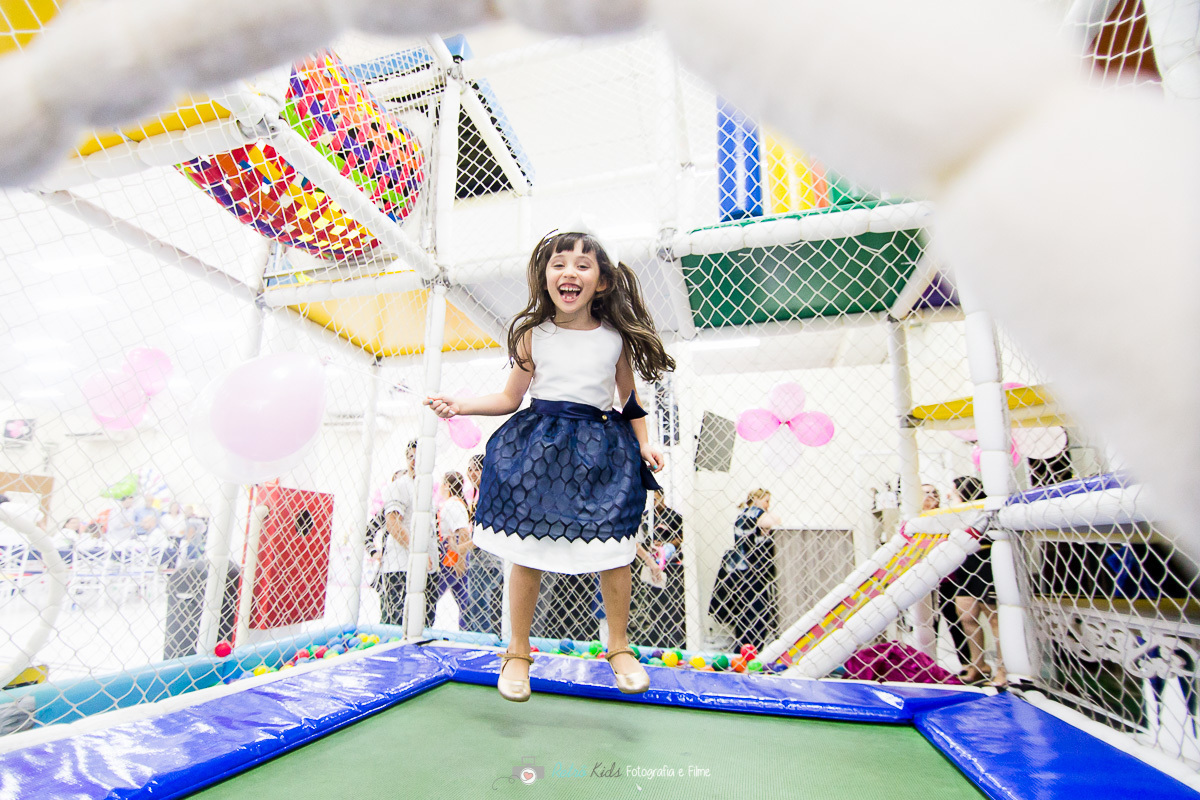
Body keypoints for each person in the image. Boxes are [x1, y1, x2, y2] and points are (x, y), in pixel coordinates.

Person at [426, 229, 673, 702]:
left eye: (584, 265)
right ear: (545, 275)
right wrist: (459, 404)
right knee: (527, 548)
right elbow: (509, 398)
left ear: (601, 282)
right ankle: (517, 651)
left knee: (617, 548)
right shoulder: (533, 335)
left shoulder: (615, 340)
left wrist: (644, 444)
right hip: (542, 445)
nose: (570, 272)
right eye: (560, 263)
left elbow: (631, 400)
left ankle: (618, 646)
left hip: (601, 448)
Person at [942, 475, 1006, 686]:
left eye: (954, 490)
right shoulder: (956, 513)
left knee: (994, 619)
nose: (949, 494)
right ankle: (978, 665)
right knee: (966, 614)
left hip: (984, 562)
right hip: (965, 564)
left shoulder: (982, 510)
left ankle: (1003, 670)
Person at [373, 440, 437, 628]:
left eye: (419, 457)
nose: (414, 461)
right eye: (410, 457)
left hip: (427, 569)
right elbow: (393, 524)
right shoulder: (400, 486)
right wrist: (417, 554)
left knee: (423, 624)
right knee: (397, 625)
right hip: (402, 569)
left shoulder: (424, 488)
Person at [708, 489, 782, 653]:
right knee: (756, 613)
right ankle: (753, 650)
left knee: (745, 614)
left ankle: (744, 650)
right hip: (750, 572)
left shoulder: (743, 515)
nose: (768, 505)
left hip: (741, 572)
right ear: (755, 499)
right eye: (766, 501)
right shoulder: (754, 513)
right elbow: (775, 520)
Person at [629, 490, 686, 648]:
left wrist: (669, 547)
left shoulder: (674, 516)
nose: (653, 503)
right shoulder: (645, 516)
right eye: (651, 500)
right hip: (644, 560)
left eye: (656, 499)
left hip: (668, 561)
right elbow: (639, 541)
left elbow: (681, 535)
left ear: (662, 497)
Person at [925, 483, 971, 670]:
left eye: (933, 493)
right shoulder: (914, 520)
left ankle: (967, 662)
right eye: (925, 493)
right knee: (928, 622)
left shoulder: (946, 518)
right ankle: (927, 663)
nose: (929, 496)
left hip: (948, 577)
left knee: (954, 618)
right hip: (924, 577)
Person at [462, 454, 503, 636]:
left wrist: (463, 547)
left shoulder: (488, 494)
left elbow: (486, 530)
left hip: (488, 559)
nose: (472, 473)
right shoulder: (478, 494)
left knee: (481, 603)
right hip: (479, 558)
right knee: (476, 602)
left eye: (476, 469)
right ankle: (481, 635)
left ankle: (485, 638)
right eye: (469, 469)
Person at [430, 471, 472, 629]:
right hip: (454, 554)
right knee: (464, 600)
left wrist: (460, 559)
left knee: (433, 595)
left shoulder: (452, 504)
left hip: (451, 556)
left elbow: (462, 532)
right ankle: (466, 630)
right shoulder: (456, 503)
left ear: (447, 485)